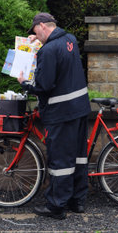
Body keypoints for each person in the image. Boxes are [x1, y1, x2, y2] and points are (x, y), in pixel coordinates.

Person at [18, 12, 91, 220]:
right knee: (78, 158)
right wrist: (35, 42)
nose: (35, 36)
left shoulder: (48, 50)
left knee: (60, 162)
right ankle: (77, 201)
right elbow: (57, 58)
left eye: (35, 32)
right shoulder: (70, 40)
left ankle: (56, 206)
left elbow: (44, 85)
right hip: (79, 109)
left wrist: (24, 83)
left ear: (42, 26)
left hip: (61, 113)